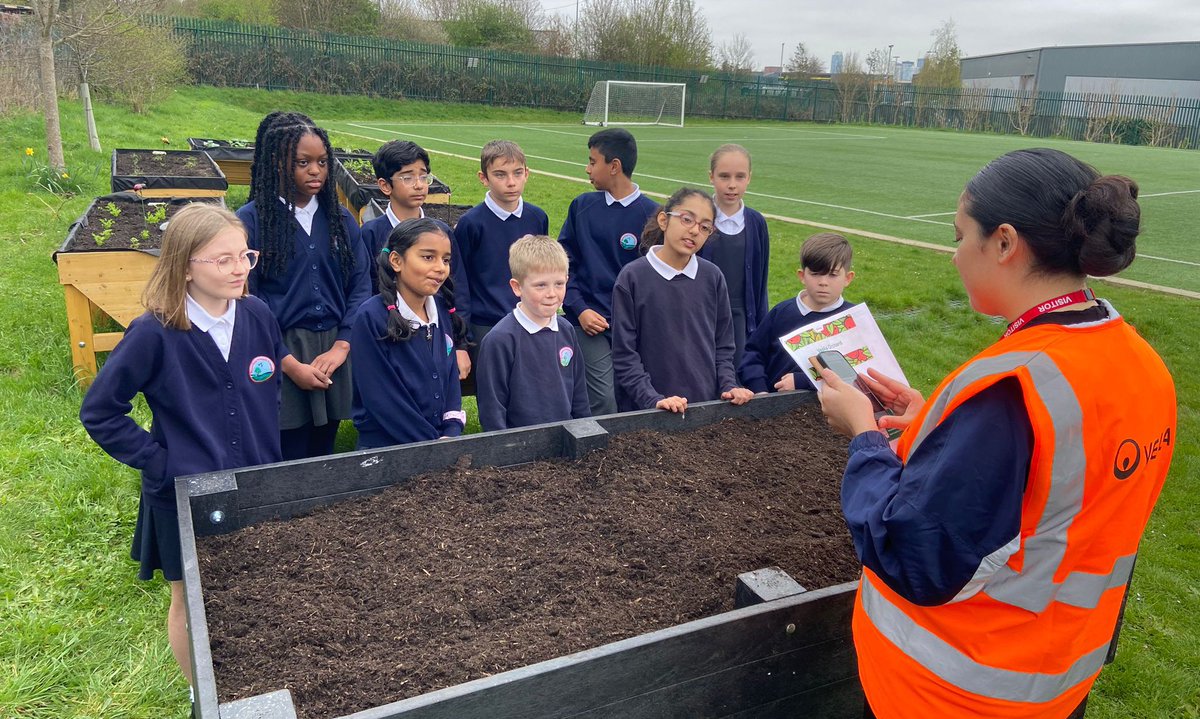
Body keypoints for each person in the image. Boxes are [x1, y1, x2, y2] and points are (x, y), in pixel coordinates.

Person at [815, 148, 1176, 719]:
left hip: (954, 694)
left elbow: (913, 555)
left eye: (960, 235)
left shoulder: (1013, 389)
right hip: (1058, 679)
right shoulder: (1141, 363)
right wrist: (937, 418)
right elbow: (1059, 484)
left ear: (1005, 242)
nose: (955, 255)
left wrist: (863, 433)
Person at [79, 204, 292, 691]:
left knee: (255, 586)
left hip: (256, 480)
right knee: (191, 597)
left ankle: (249, 677)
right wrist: (164, 462)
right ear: (184, 265)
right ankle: (203, 689)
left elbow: (267, 388)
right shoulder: (154, 332)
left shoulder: (258, 316)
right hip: (184, 492)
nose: (239, 268)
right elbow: (101, 412)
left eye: (245, 255)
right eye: (222, 259)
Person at [236, 111, 371, 460]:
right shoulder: (251, 221)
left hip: (334, 345)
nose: (316, 171)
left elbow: (359, 284)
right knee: (288, 447)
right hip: (279, 345)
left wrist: (342, 345)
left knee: (325, 443)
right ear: (277, 163)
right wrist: (288, 362)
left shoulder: (340, 219)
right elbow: (246, 295)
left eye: (323, 162)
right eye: (303, 162)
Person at [611, 187, 754, 414]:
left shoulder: (713, 277)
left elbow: (724, 347)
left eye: (705, 227)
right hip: (647, 413)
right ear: (663, 220)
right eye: (687, 219)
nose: (695, 231)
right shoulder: (633, 277)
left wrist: (729, 385)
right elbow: (625, 355)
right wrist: (653, 399)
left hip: (702, 409)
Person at [559, 127, 660, 416]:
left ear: (614, 166)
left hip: (633, 327)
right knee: (603, 400)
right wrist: (579, 309)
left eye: (592, 161)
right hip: (587, 323)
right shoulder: (582, 206)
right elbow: (565, 267)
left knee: (632, 395)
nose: (587, 168)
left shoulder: (653, 216)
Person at [350, 218, 467, 448]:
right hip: (388, 451)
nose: (440, 268)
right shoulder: (371, 317)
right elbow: (382, 399)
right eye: (428, 257)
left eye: (446, 259)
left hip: (437, 447)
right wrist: (431, 444)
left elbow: (451, 379)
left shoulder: (442, 311)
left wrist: (451, 432)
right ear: (396, 260)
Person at [360, 139, 472, 379]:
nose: (419, 185)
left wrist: (460, 345)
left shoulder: (442, 233)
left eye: (424, 176)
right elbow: (367, 288)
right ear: (385, 185)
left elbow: (458, 288)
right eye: (407, 177)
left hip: (438, 334)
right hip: (389, 336)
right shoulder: (371, 234)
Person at [475, 234, 590, 431]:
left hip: (564, 441)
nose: (552, 293)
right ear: (517, 287)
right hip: (520, 448)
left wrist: (583, 430)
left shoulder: (566, 330)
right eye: (540, 285)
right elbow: (492, 407)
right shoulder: (500, 339)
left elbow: (578, 392)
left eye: (559, 284)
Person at [452, 139, 549, 354]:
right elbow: (459, 281)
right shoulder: (471, 224)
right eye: (500, 175)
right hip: (486, 326)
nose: (511, 182)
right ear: (483, 178)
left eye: (517, 173)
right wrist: (462, 339)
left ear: (527, 173)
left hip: (530, 321)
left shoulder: (538, 218)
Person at [740, 232, 856, 394]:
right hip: (774, 407)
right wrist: (760, 391)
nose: (823, 282)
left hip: (834, 413)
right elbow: (753, 354)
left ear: (848, 278)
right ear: (802, 276)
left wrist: (803, 381)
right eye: (815, 274)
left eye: (833, 275)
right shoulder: (781, 313)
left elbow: (858, 370)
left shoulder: (854, 319)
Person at [698, 144, 770, 366]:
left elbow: (761, 279)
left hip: (741, 318)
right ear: (711, 177)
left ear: (749, 178)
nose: (732, 185)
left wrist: (761, 327)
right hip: (702, 316)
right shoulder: (699, 219)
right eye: (724, 176)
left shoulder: (756, 222)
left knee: (738, 380)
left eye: (740, 177)